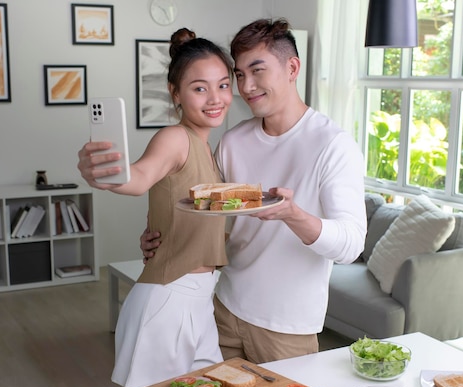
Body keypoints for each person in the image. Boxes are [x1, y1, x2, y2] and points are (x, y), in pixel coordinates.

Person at [141, 18, 367, 364]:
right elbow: (207, 212)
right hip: (223, 308)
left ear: (292, 67)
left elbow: (351, 244)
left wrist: (294, 215)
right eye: (240, 74)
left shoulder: (333, 145)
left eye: (257, 70)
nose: (247, 86)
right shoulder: (233, 141)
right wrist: (161, 235)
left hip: (286, 327)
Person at [76, 28, 233, 387]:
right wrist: (105, 173)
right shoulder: (175, 138)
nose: (215, 98)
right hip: (168, 301)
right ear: (175, 93)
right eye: (199, 88)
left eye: (223, 85)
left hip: (198, 300)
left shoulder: (208, 148)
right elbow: (140, 177)